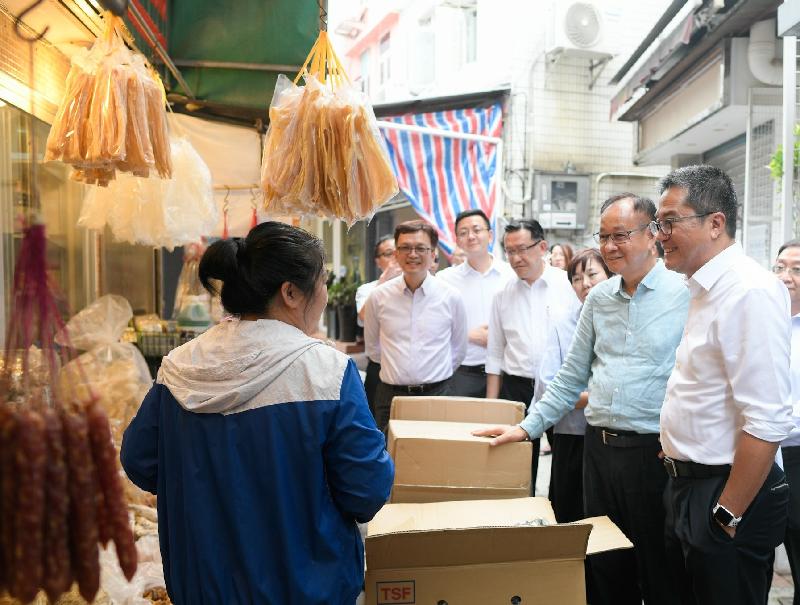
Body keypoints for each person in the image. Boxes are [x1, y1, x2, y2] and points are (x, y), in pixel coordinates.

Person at [120, 222, 394, 605]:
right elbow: (367, 490)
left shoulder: (178, 368)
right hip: (308, 590)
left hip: (202, 587)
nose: (327, 295)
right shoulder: (326, 372)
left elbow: (139, 462)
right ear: (291, 293)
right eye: (323, 282)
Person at [475, 194, 689, 605]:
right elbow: (570, 377)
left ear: (652, 236)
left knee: (661, 568)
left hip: (654, 455)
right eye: (604, 236)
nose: (609, 246)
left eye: (620, 235)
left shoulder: (683, 293)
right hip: (599, 451)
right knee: (606, 565)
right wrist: (526, 427)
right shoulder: (599, 298)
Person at [654, 165, 793, 605]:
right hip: (689, 487)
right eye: (659, 223)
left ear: (716, 223)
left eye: (670, 221)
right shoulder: (702, 288)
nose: (660, 234)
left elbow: (768, 418)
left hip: (726, 494)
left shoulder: (749, 290)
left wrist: (727, 513)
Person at [484, 218, 580, 490]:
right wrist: (492, 405)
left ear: (542, 247)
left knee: (565, 465)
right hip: (518, 387)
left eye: (522, 249)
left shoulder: (568, 286)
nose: (516, 258)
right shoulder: (502, 294)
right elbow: (494, 353)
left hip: (560, 387)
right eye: (509, 251)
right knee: (518, 467)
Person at [364, 219, 467, 431]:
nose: (412, 254)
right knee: (389, 459)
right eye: (405, 248)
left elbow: (458, 350)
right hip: (390, 396)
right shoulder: (378, 297)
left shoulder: (451, 297)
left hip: (438, 394)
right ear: (396, 253)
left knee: (436, 459)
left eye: (420, 248)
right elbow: (373, 350)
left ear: (432, 253)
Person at [536, 248, 612, 523]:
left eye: (592, 274)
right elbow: (548, 385)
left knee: (603, 513)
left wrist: (581, 396)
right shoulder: (564, 324)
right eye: (577, 279)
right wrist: (601, 396)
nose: (585, 284)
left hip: (611, 436)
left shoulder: (623, 320)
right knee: (569, 509)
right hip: (572, 433)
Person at [437, 209, 515, 398]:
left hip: (508, 372)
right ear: (457, 241)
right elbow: (433, 325)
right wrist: (468, 335)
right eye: (463, 233)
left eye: (476, 230)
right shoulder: (444, 280)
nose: (471, 236)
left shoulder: (511, 274)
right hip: (463, 373)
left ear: (490, 235)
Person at [774, 240, 800, 605]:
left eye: (797, 270)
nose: (786, 277)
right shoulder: (766, 317)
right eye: (780, 267)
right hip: (758, 450)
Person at [356, 235, 401, 417]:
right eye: (389, 253)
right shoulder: (368, 289)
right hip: (379, 364)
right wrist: (385, 279)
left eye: (398, 252)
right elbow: (364, 316)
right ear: (377, 261)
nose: (395, 258)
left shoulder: (417, 286)